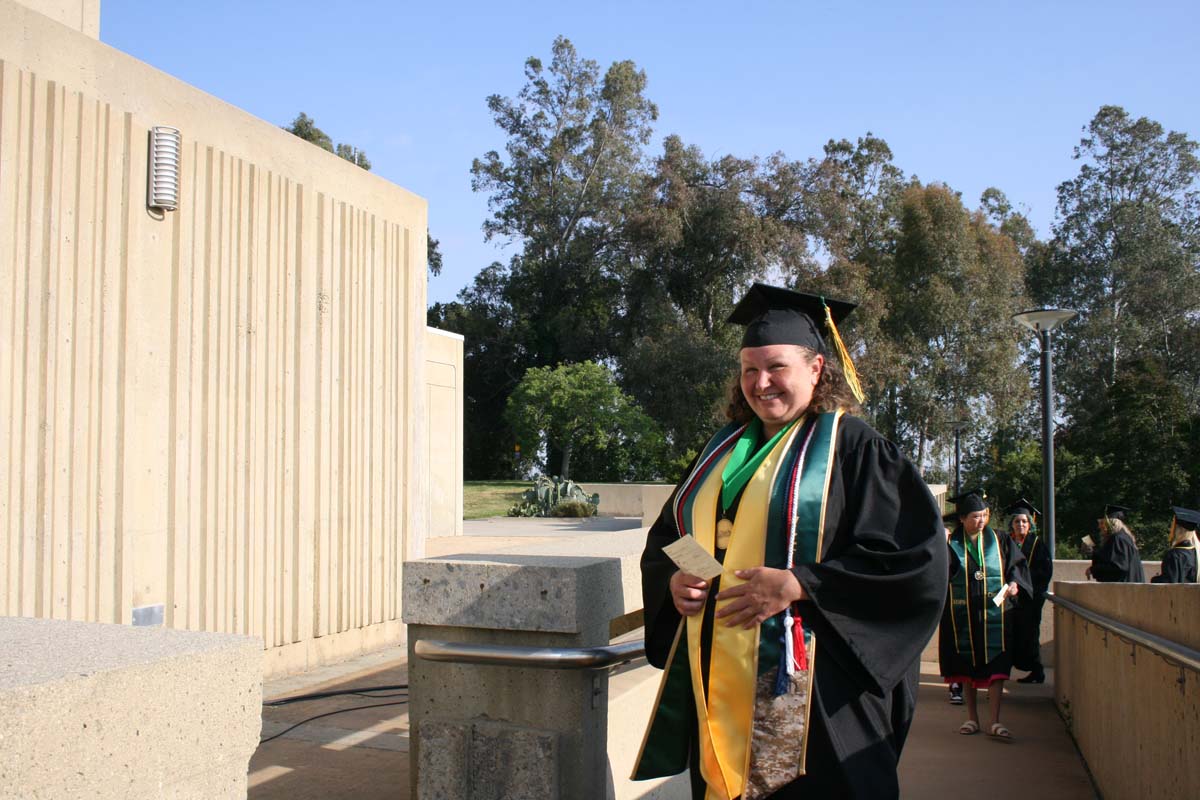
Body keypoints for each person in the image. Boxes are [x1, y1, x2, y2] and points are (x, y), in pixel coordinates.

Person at [634, 284, 947, 799]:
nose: (761, 383)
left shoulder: (854, 448)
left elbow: (915, 562)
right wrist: (676, 579)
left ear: (817, 368)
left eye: (777, 367)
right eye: (749, 370)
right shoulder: (720, 451)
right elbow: (670, 535)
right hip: (718, 680)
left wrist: (801, 584)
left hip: (816, 686)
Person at [938, 490, 1031, 740]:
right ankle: (972, 718)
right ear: (962, 519)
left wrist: (1014, 584)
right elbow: (938, 575)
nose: (980, 521)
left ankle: (995, 721)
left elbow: (1017, 566)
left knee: (997, 668)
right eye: (975, 517)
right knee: (966, 667)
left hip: (997, 616)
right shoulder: (950, 544)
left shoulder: (1000, 539)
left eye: (983, 516)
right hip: (961, 616)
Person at [1006, 499, 1052, 684]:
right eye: (1017, 521)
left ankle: (1036, 670)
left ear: (1030, 523)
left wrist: (1023, 584)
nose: (1020, 525)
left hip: (1029, 599)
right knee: (1008, 635)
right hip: (1010, 598)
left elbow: (1044, 572)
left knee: (1029, 635)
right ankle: (1003, 671)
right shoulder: (1007, 542)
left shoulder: (1038, 545)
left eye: (1024, 521)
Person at [1086, 504, 1145, 582]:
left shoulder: (1118, 538)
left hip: (1125, 588)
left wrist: (1094, 569)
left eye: (1102, 523)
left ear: (1110, 523)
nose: (1100, 527)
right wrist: (1093, 552)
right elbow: (1110, 559)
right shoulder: (1123, 537)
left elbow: (1118, 566)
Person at [1150, 507, 1199, 583]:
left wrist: (1155, 579)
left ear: (1177, 530)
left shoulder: (1174, 555)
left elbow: (1169, 583)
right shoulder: (1195, 552)